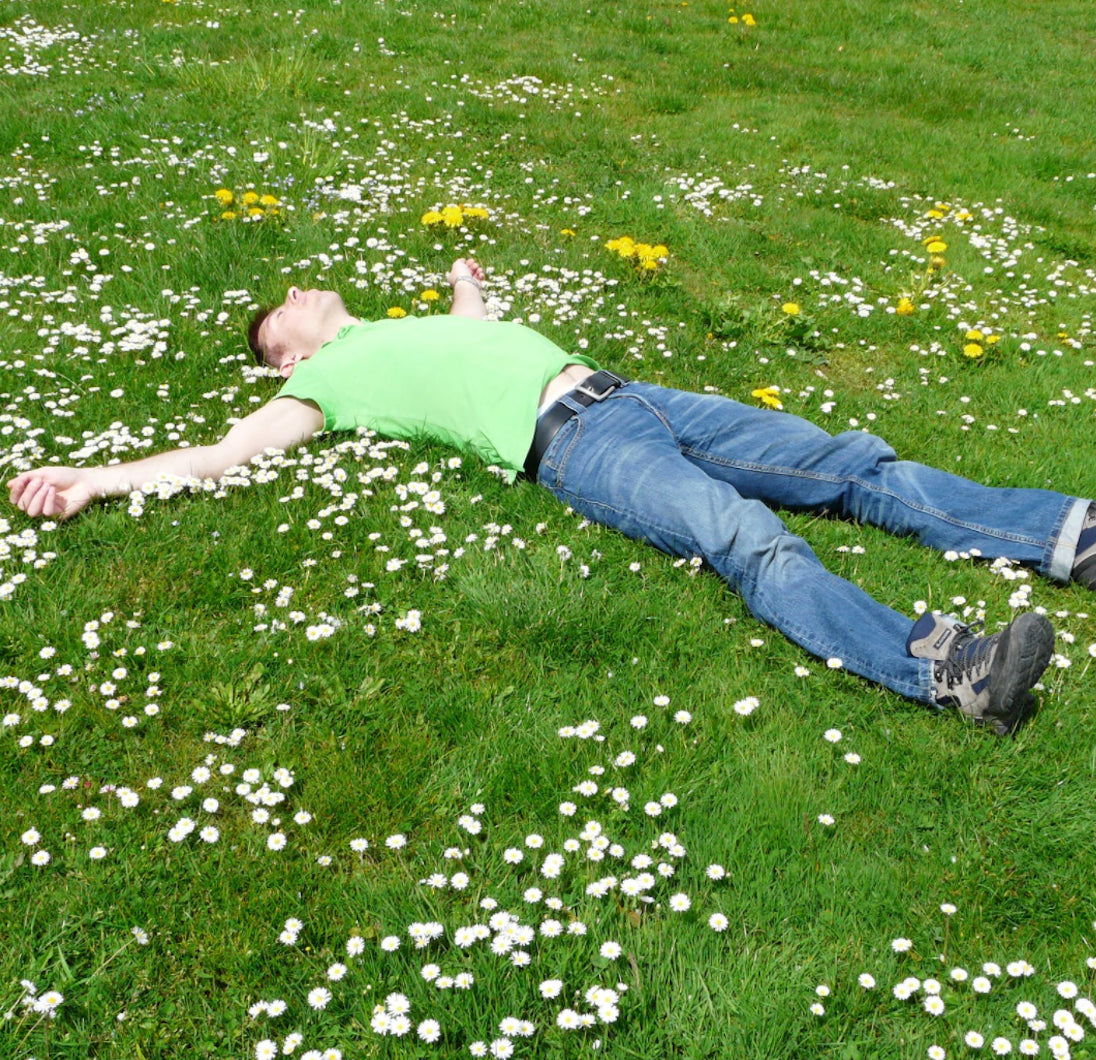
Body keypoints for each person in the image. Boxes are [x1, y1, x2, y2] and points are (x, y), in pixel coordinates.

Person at [9, 259, 1096, 735]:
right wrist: (95, 478)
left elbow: (473, 342)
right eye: (279, 309)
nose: (295, 290)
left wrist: (464, 293)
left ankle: (1065, 533)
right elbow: (220, 454)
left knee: (848, 461)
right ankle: (950, 671)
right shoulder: (320, 383)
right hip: (571, 444)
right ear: (283, 354)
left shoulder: (389, 331)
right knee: (744, 536)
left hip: (635, 395)